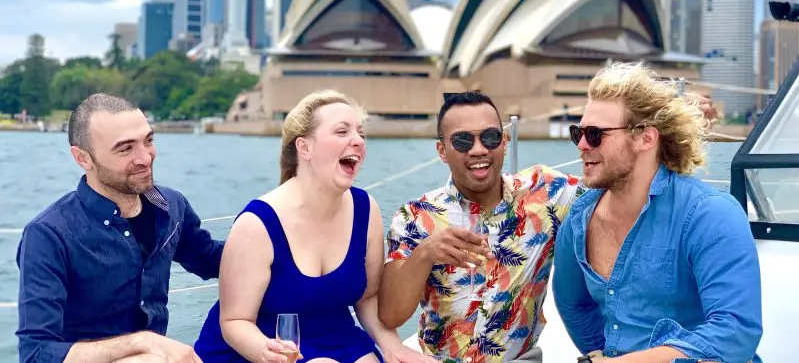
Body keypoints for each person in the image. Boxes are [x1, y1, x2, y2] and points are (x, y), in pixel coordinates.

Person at [194, 90, 433, 363]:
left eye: (360, 133)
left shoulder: (366, 210)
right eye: (342, 132)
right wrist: (268, 352)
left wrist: (394, 348)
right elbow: (235, 320)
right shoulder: (256, 224)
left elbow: (368, 297)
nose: (358, 141)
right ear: (304, 148)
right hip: (260, 347)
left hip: (335, 338)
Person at [553, 62, 762, 362]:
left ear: (646, 138)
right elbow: (574, 304)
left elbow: (734, 333)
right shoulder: (578, 220)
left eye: (596, 134)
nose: (582, 145)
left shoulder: (710, 215)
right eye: (579, 133)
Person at [16, 93, 224, 363]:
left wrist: (274, 230)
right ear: (83, 158)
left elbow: (210, 259)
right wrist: (142, 342)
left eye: (148, 141)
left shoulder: (171, 206)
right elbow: (35, 353)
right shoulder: (47, 235)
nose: (145, 158)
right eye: (125, 149)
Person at [379, 92, 585, 363]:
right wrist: (425, 253)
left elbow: (615, 190)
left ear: (505, 141)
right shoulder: (415, 216)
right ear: (442, 151)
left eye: (490, 137)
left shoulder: (548, 191)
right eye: (463, 141)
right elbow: (391, 314)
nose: (479, 149)